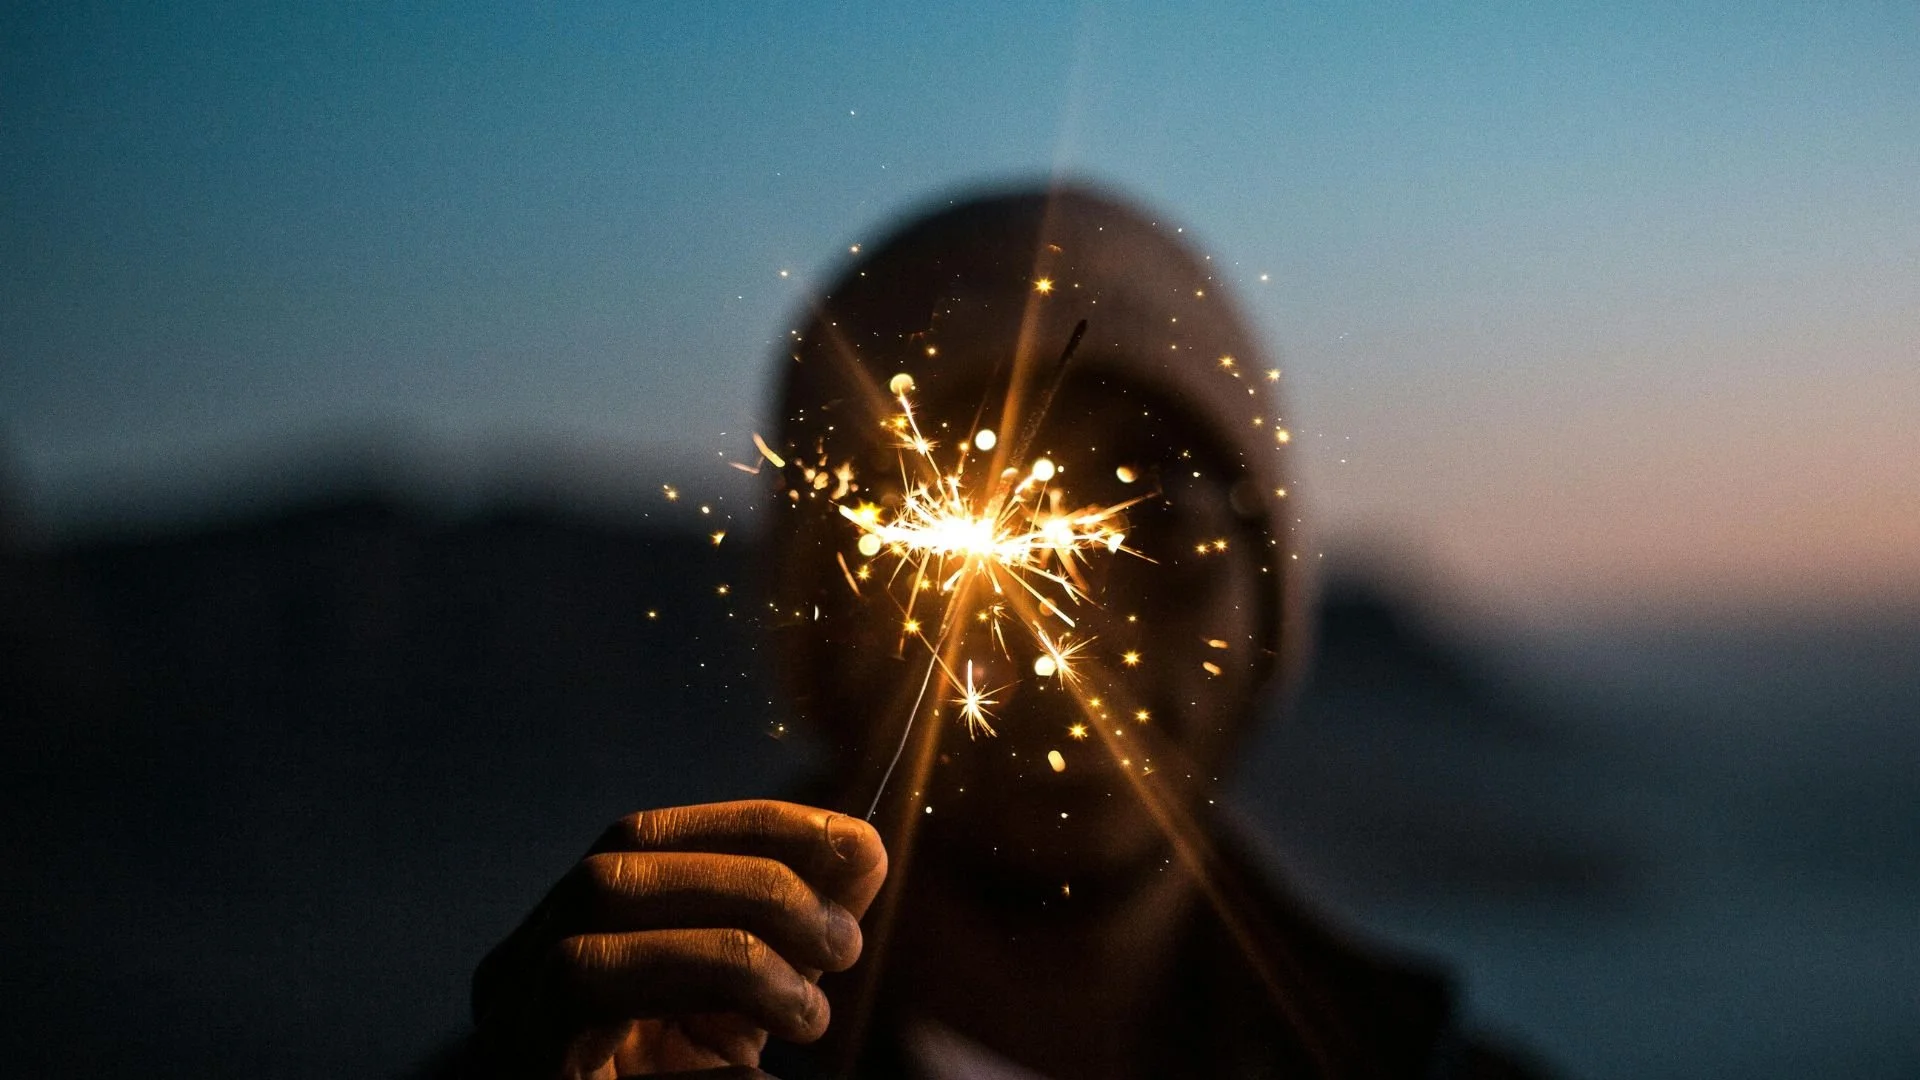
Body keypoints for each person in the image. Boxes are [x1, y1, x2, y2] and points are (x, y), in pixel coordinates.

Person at [450, 185, 1550, 1079]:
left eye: (1155, 509)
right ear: (818, 626)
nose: (1068, 627)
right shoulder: (599, 1062)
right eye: (948, 503)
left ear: (1270, 601)